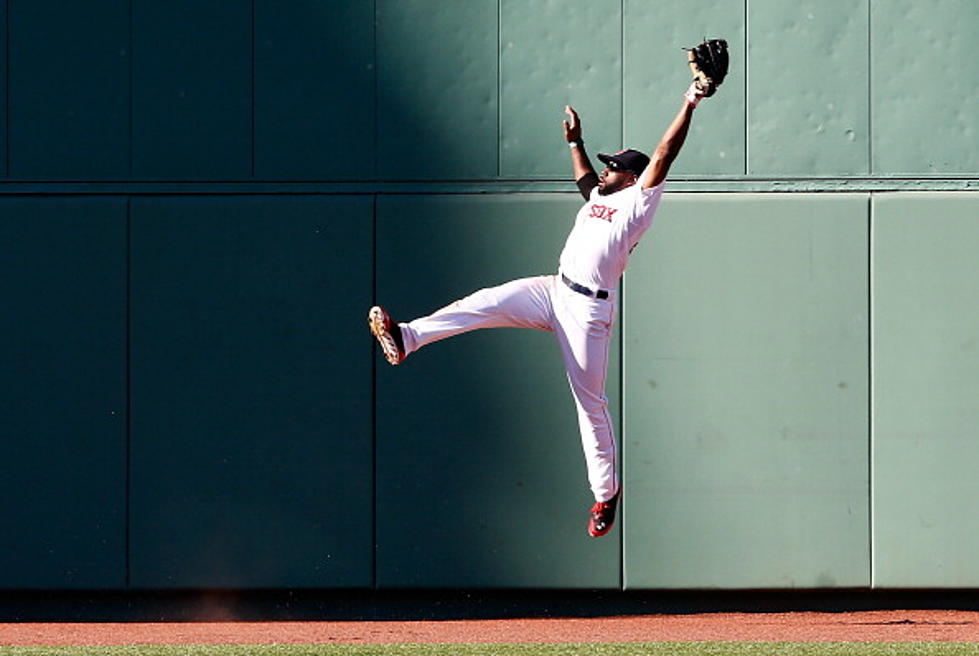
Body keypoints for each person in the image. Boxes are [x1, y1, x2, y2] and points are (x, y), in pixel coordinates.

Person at [369, 81, 712, 537]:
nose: (607, 171)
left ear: (632, 178)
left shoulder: (638, 203)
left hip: (589, 310)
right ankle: (407, 338)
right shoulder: (600, 200)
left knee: (590, 405)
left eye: (615, 168)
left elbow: (665, 152)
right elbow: (585, 180)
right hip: (553, 291)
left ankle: (606, 494)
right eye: (608, 166)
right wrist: (576, 143)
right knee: (484, 301)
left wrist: (691, 98)